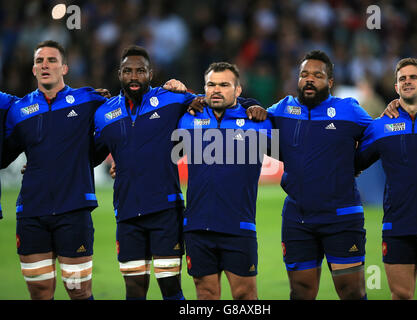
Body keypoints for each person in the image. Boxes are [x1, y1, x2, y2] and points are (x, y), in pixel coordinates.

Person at [94, 47, 265, 300]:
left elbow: (216, 98)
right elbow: (89, 152)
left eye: (140, 70)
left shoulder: (172, 99)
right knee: (133, 290)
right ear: (118, 73)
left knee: (171, 288)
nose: (134, 76)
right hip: (127, 212)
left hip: (166, 212)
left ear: (150, 73)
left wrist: (252, 104)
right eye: (128, 70)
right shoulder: (104, 112)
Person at [1, 40, 109, 300]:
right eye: (39, 61)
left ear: (65, 68)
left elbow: (121, 119)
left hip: (73, 210)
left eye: (51, 60)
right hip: (32, 212)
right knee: (39, 292)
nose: (45, 64)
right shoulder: (18, 110)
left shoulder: (88, 100)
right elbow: (4, 156)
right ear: (33, 70)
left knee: (79, 291)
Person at [265, 50, 372, 300]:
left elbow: (379, 138)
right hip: (297, 218)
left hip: (342, 216)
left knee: (352, 292)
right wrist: (251, 107)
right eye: (304, 74)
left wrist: (355, 162)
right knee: (301, 293)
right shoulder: (282, 109)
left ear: (330, 82)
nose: (309, 79)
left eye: (317, 75)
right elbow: (248, 117)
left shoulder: (349, 110)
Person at [176, 62, 272, 300]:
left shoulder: (258, 121)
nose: (216, 90)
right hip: (197, 227)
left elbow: (296, 153)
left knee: (244, 295)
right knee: (206, 294)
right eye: (211, 84)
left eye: (224, 85)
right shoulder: (188, 118)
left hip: (238, 227)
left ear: (238, 90)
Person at [356, 58, 417, 300]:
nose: (407, 81)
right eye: (402, 79)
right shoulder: (381, 126)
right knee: (400, 294)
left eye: (413, 77)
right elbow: (354, 163)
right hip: (397, 226)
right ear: (396, 88)